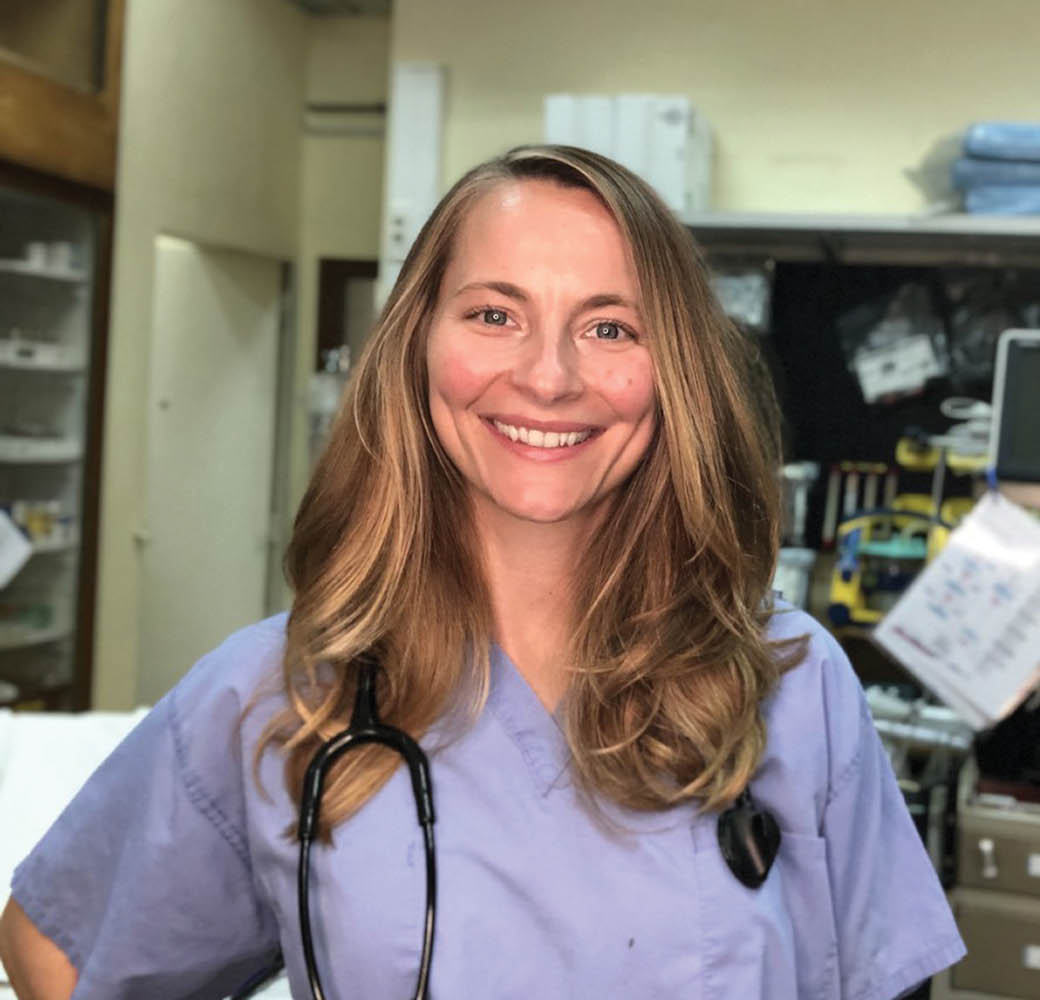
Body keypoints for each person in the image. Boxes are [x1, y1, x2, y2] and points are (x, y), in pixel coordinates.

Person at [0, 145, 964, 999]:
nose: (548, 376)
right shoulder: (279, 698)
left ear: (676, 374)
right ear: (417, 346)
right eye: (495, 313)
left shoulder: (789, 680)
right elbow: (58, 951)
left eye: (610, 328)